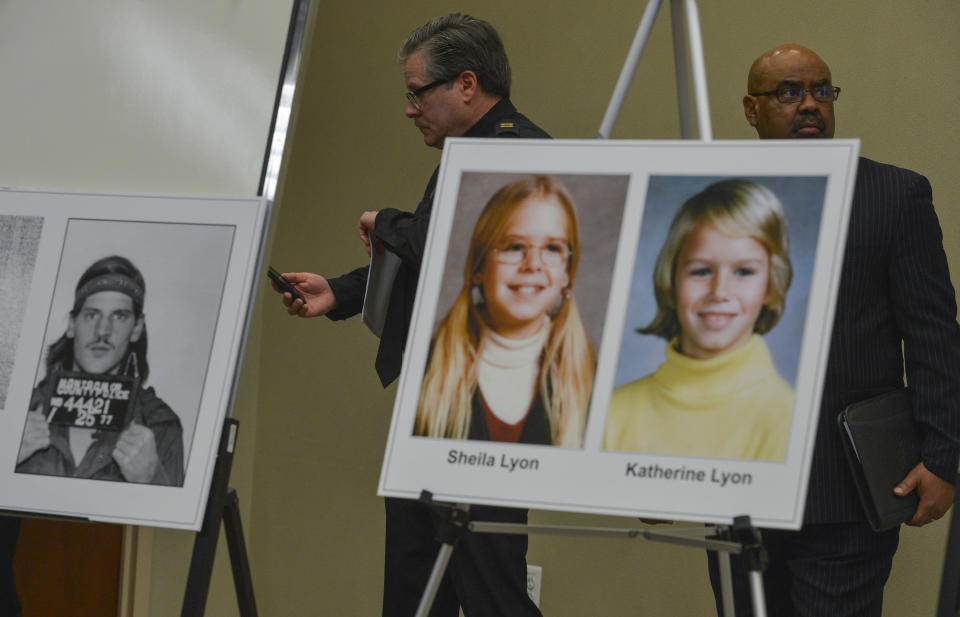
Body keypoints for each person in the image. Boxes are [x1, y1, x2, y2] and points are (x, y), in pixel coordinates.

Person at [272, 14, 547, 617]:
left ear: (466, 85)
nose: (408, 109)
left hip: (486, 411)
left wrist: (388, 223)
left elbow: (461, 247)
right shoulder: (467, 153)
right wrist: (337, 293)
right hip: (435, 399)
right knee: (415, 584)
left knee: (490, 585)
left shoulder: (520, 152)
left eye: (416, 92)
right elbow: (434, 262)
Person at [707, 44, 960, 616]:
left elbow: (934, 335)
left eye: (822, 91)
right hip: (736, 481)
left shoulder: (894, 196)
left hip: (849, 485)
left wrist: (944, 457)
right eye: (789, 93)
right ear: (752, 110)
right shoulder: (711, 200)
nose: (810, 106)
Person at [605, 179, 793, 460]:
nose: (719, 292)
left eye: (743, 272)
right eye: (701, 271)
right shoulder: (613, 412)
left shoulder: (787, 419)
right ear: (671, 280)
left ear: (771, 287)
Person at [416, 175, 595, 446]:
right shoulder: (426, 367)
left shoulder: (591, 376)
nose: (533, 264)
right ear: (478, 267)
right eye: (514, 246)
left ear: (567, 273)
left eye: (552, 248)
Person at [16, 255, 185, 486]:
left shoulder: (159, 425)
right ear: (72, 325)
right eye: (91, 315)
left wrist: (151, 478)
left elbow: (167, 521)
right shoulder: (16, 409)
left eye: (119, 316)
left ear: (136, 328)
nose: (102, 331)